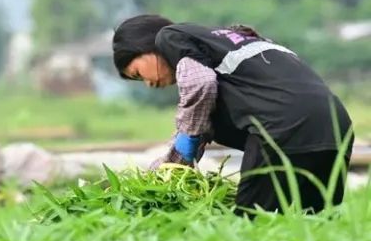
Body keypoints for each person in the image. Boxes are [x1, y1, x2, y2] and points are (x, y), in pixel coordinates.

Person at [112, 14, 353, 214]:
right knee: (313, 222)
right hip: (335, 127)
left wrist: (184, 146)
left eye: (137, 73)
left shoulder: (170, 36)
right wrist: (171, 163)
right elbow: (204, 106)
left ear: (145, 45)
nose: (148, 84)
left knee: (252, 225)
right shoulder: (231, 43)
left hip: (282, 127)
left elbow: (199, 85)